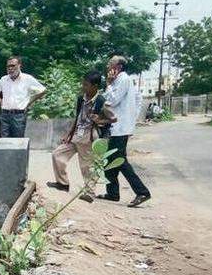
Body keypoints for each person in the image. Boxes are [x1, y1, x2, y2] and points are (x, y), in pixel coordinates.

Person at [48, 70, 117, 203]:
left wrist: (99, 120)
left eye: (86, 85)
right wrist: (68, 134)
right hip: (76, 134)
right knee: (57, 154)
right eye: (83, 84)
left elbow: (113, 119)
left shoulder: (102, 102)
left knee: (87, 166)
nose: (83, 87)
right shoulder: (81, 98)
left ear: (95, 86)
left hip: (89, 136)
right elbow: (77, 118)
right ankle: (63, 183)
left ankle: (89, 193)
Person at [97, 55, 151, 207]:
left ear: (118, 67)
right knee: (110, 160)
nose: (108, 65)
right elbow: (136, 99)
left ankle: (142, 192)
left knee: (119, 160)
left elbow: (111, 101)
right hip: (118, 126)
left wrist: (108, 84)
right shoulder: (121, 80)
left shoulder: (123, 79)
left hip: (120, 127)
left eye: (110, 63)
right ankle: (112, 193)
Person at [0, 56, 46, 137]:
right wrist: (0, 100)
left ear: (19, 65)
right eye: (8, 66)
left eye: (13, 65)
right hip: (5, 116)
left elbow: (42, 90)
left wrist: (30, 102)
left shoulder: (27, 78)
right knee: (3, 143)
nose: (10, 68)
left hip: (19, 116)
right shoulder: (3, 79)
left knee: (18, 143)